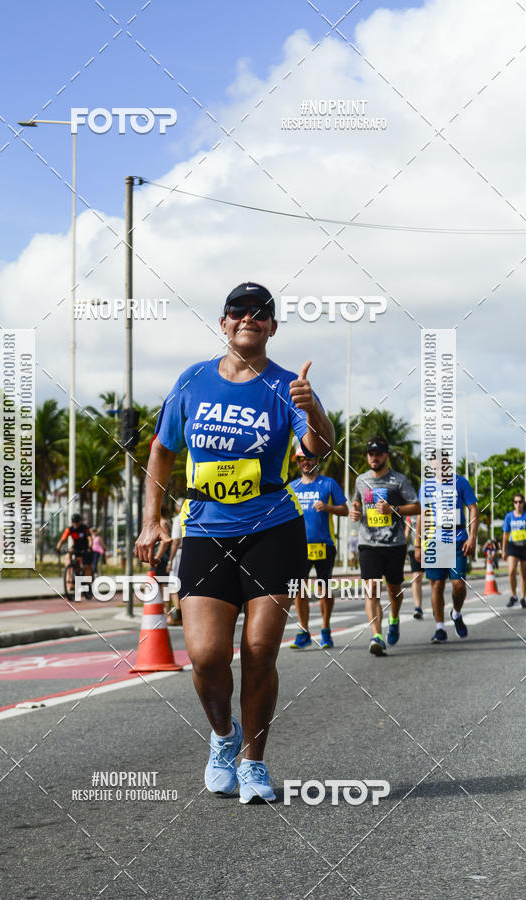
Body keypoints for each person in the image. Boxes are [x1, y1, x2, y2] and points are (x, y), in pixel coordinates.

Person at [135, 281, 334, 804]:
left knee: (261, 648)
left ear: (272, 326)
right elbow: (161, 451)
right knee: (205, 655)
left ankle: (253, 761)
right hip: (204, 529)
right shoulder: (194, 380)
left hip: (273, 528)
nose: (249, 317)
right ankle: (223, 737)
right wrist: (151, 519)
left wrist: (312, 409)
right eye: (237, 311)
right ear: (223, 322)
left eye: (260, 312)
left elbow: (321, 448)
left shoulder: (288, 385)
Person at [350, 437, 421, 656]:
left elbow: (417, 506)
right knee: (371, 590)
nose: (374, 457)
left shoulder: (398, 480)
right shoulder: (361, 480)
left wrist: (394, 509)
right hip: (368, 543)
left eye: (378, 453)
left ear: (386, 456)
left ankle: (394, 617)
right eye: (371, 454)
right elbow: (356, 502)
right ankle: (376, 635)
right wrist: (355, 510)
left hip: (394, 544)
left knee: (393, 589)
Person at [288, 447, 348, 649]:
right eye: (301, 460)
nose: (305, 463)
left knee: (324, 589)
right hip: (298, 547)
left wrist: (328, 507)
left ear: (317, 461)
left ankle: (325, 629)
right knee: (299, 590)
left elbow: (345, 510)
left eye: (309, 459)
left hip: (324, 544)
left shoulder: (328, 483)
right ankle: (304, 630)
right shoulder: (292, 487)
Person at [420, 451, 478, 643]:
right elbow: (422, 514)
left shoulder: (460, 482)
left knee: (458, 584)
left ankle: (457, 612)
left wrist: (473, 537)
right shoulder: (427, 486)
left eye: (444, 461)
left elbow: (473, 509)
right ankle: (440, 628)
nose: (441, 465)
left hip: (458, 538)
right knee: (436, 584)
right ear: (431, 463)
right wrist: (419, 544)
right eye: (436, 461)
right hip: (435, 540)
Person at [502, 493, 526, 608]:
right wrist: (503, 550)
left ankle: (523, 598)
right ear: (513, 503)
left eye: (520, 502)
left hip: (525, 546)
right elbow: (505, 534)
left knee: (523, 573)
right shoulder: (509, 517)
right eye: (516, 502)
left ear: (523, 503)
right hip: (513, 547)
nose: (518, 504)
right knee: (512, 571)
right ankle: (513, 596)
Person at [56, 513, 93, 594]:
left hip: (86, 548)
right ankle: (73, 575)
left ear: (80, 522)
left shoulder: (85, 528)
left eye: (76, 522)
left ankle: (89, 585)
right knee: (72, 556)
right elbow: (62, 540)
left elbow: (90, 539)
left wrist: (90, 547)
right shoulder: (69, 529)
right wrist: (58, 548)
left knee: (86, 566)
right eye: (73, 522)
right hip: (76, 547)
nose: (75, 524)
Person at [166, 497, 185, 625]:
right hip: (190, 551)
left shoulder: (178, 519)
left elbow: (175, 541)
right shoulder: (192, 516)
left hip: (179, 552)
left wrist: (170, 560)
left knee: (173, 584)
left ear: (177, 508)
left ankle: (178, 613)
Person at [405, 514, 424, 619]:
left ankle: (437, 606)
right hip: (414, 548)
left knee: (435, 581)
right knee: (416, 577)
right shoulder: (411, 511)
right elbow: (407, 530)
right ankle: (417, 607)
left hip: (432, 547)